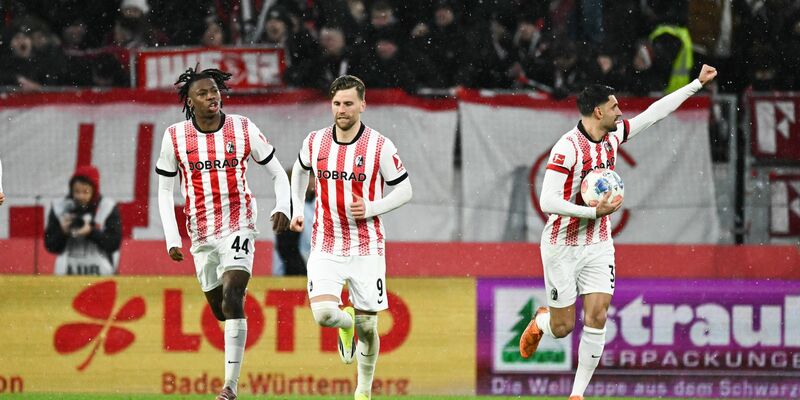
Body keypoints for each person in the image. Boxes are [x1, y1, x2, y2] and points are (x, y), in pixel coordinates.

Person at [519, 64, 718, 400]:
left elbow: (654, 114)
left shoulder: (612, 136)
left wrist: (696, 84)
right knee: (563, 327)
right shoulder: (567, 148)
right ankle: (541, 321)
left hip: (598, 243)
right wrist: (591, 211)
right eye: (614, 107)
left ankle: (577, 395)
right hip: (561, 245)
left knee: (597, 315)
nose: (620, 111)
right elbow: (547, 200)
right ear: (598, 111)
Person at [155, 67, 291, 400]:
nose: (211, 96)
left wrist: (284, 206)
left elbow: (277, 172)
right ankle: (234, 309)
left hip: (239, 222)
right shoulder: (174, 136)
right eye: (202, 93)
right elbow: (163, 191)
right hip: (201, 231)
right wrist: (173, 239)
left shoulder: (243, 128)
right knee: (220, 309)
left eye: (214, 90)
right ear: (190, 101)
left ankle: (229, 386)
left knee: (233, 296)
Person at [289, 75, 412, 400]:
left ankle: (363, 390)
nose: (341, 110)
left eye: (348, 103)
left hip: (367, 247)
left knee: (370, 328)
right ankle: (346, 325)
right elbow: (300, 170)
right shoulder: (315, 141)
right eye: (336, 103)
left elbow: (405, 189)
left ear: (362, 105)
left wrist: (373, 206)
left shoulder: (379, 146)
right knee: (325, 315)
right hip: (326, 243)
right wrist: (297, 207)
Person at [44, 165, 122, 275]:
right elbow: (50, 245)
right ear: (71, 190)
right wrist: (63, 232)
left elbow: (114, 243)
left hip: (100, 273)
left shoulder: (107, 207)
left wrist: (91, 232)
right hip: (66, 273)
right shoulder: (60, 207)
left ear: (94, 191)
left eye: (85, 192)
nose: (80, 196)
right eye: (76, 191)